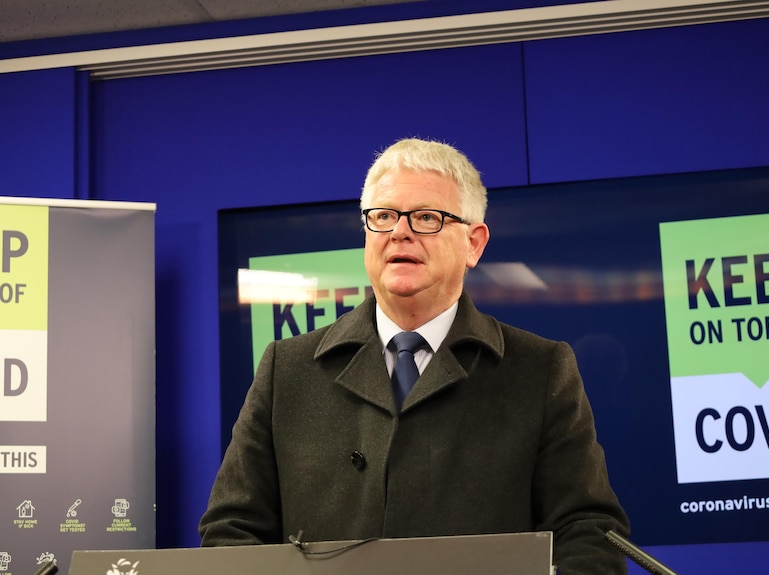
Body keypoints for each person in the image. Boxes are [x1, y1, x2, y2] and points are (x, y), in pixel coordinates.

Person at [199, 137, 630, 574]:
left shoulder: (539, 370)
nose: (399, 231)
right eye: (383, 216)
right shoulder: (287, 370)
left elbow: (588, 534)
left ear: (474, 244)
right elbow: (231, 532)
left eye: (426, 217)